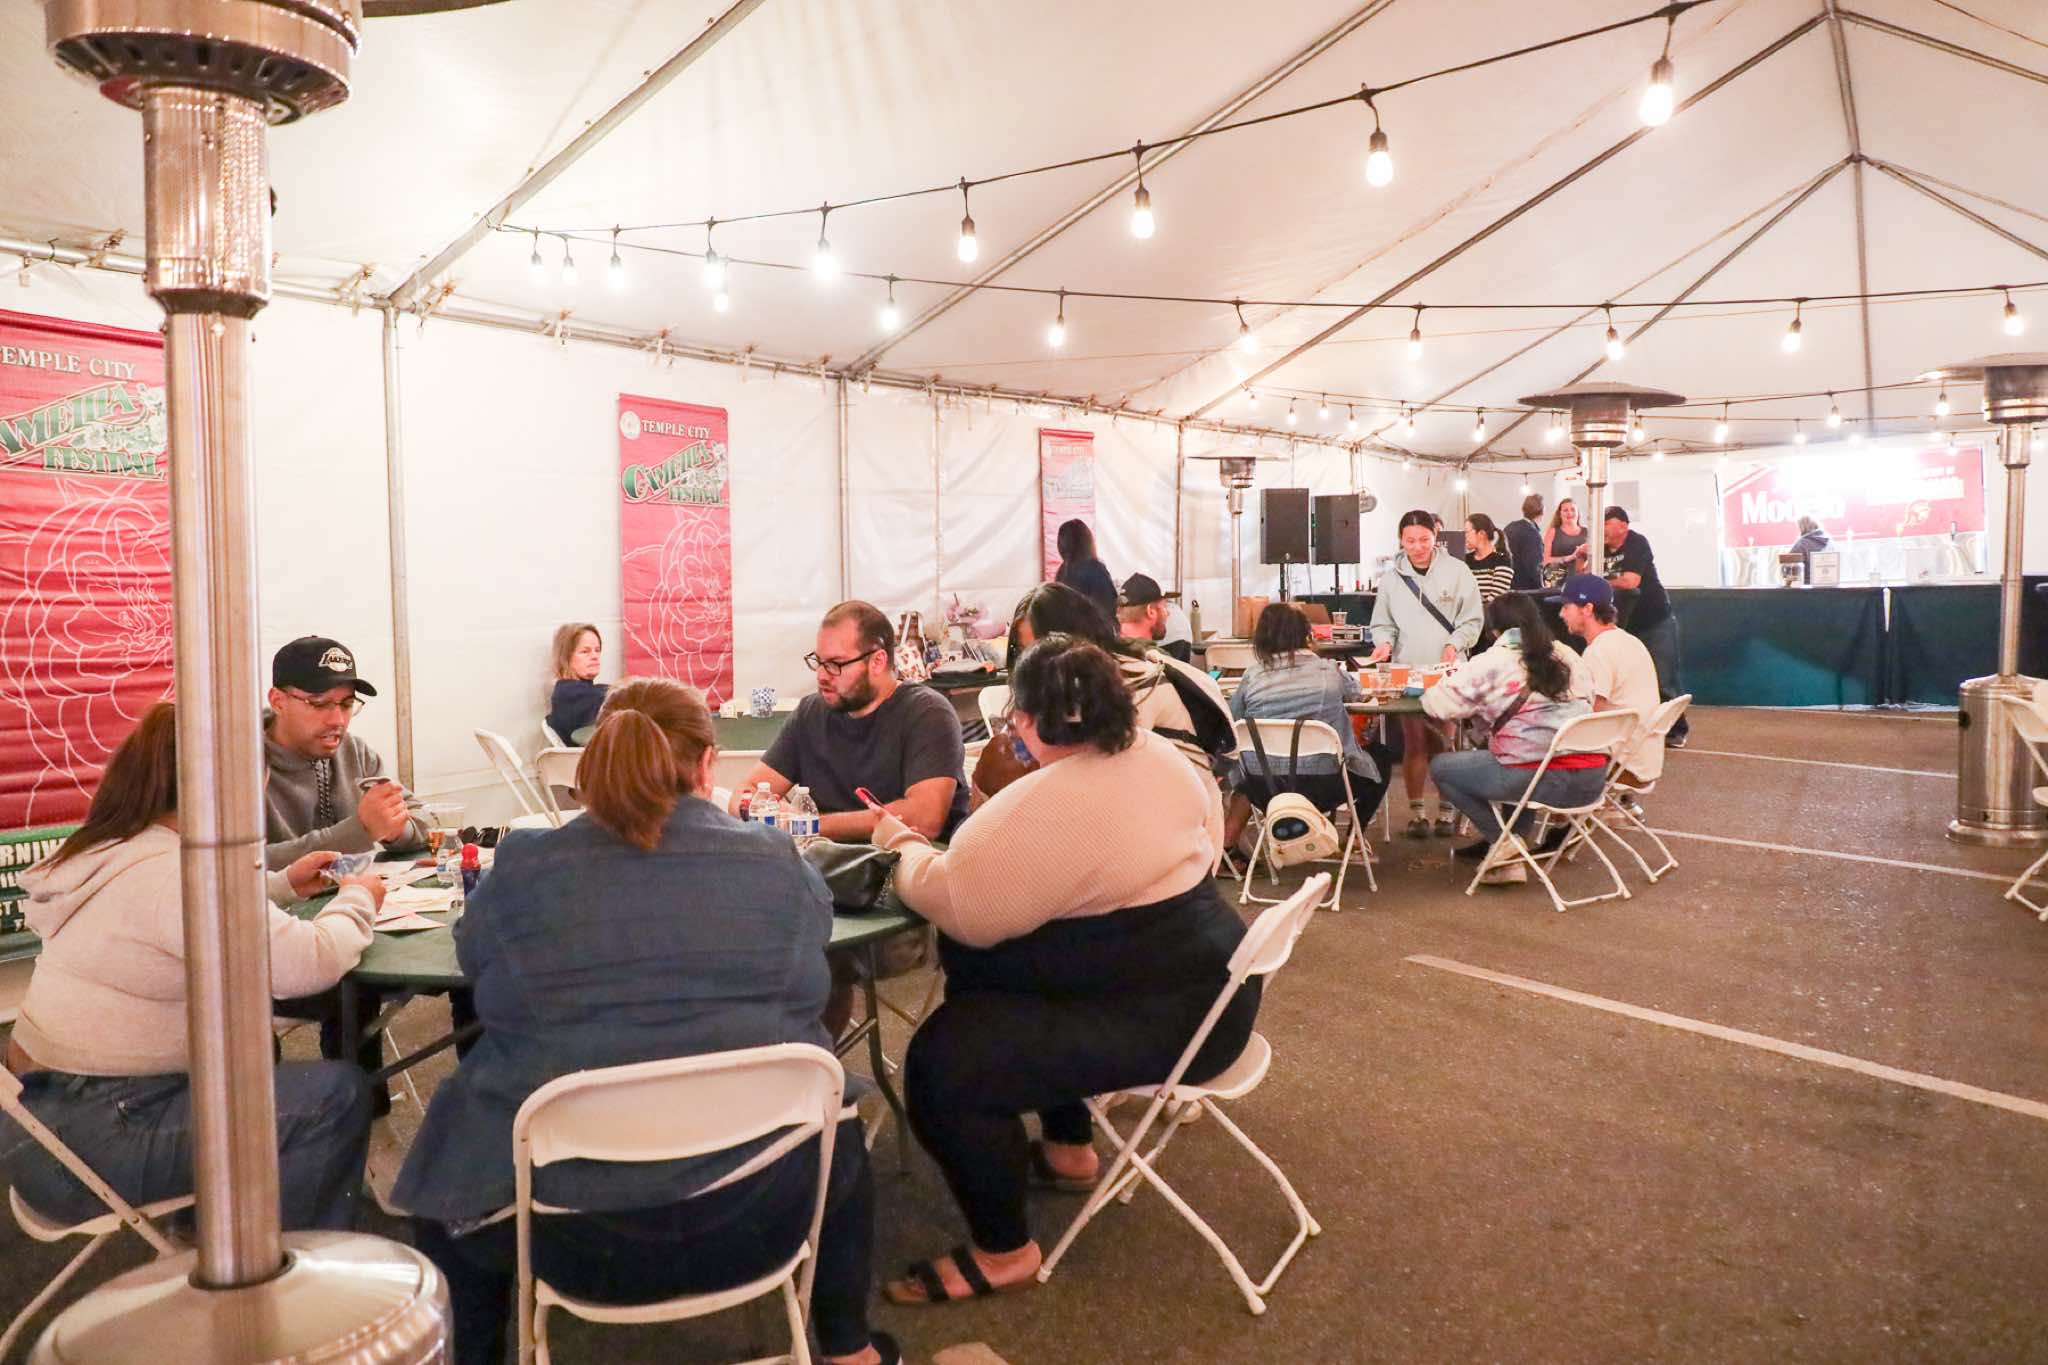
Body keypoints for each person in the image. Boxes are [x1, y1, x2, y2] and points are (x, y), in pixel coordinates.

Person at [396, 680, 894, 1365]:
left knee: (452, 1167)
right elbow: (813, 967)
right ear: (707, 764)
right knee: (838, 1110)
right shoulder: (778, 863)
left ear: (596, 761)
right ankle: (848, 1347)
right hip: (764, 1211)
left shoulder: (526, 867)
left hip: (569, 1240)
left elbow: (476, 962)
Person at [872, 636, 1258, 1306]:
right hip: (1216, 985)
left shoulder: (1049, 800)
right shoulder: (1157, 754)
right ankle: (1069, 1147)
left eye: (1016, 719)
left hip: (1178, 1016)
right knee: (986, 967)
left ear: (1029, 719)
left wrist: (900, 844)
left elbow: (961, 904)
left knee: (942, 1065)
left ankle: (1004, 1251)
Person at [0, 703, 380, 1232]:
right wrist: (358, 898)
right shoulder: (182, 874)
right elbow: (309, 962)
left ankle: (223, 1233)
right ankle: (290, 1268)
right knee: (335, 1097)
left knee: (256, 1056)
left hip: (39, 1123)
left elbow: (176, 916)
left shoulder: (113, 848)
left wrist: (280, 885)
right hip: (97, 1141)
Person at [731, 601, 967, 840]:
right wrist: (756, 807)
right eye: (819, 662)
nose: (822, 675)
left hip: (906, 860)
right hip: (823, 859)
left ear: (877, 662)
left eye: (835, 664)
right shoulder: (810, 714)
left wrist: (808, 824)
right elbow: (745, 793)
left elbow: (924, 820)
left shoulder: (928, 714)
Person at [1424, 594, 1604, 884]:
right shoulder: (1569, 655)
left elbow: (1439, 705)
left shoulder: (1494, 661)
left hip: (1542, 780)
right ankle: (1510, 845)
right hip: (1592, 779)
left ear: (1494, 631)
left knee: (1443, 767)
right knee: (1511, 754)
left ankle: (1505, 844)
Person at [1008, 582, 1232, 782]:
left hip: (1181, 803)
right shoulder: (1073, 686)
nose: (1032, 663)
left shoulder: (1129, 681)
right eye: (1023, 651)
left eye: (1042, 649)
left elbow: (1103, 769)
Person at [1224, 603, 1388, 848]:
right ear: (1306, 635)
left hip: (1265, 786)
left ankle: (1226, 847)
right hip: (1325, 784)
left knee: (1250, 772)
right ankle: (1355, 837)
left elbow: (1233, 720)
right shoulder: (1328, 671)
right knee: (1382, 757)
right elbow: (1356, 691)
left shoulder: (1252, 676)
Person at [263, 635, 427, 871]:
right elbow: (240, 863)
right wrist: (360, 830)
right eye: (319, 704)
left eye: (347, 704)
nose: (338, 720)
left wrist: (395, 829)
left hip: (357, 892)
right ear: (278, 702)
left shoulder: (355, 752)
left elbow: (425, 818)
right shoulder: (237, 765)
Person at [1367, 510, 1483, 838]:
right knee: (1414, 741)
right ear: (1400, 540)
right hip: (1408, 671)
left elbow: (1472, 620)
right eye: (1410, 541)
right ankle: (1416, 812)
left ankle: (1447, 811)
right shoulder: (1392, 579)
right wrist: (1384, 643)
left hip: (1447, 672)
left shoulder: (1458, 572)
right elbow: (1382, 623)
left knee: (1445, 740)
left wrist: (1455, 643)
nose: (1417, 547)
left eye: (1424, 539)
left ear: (1436, 537)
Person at [1582, 506, 1689, 748]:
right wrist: (1582, 557)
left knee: (1664, 677)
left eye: (1607, 524)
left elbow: (1631, 581)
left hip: (1654, 620)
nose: (1602, 530)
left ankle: (1676, 729)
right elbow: (1584, 578)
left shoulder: (1637, 543)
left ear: (1623, 526)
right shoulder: (1600, 549)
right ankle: (1638, 728)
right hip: (1624, 626)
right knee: (1630, 680)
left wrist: (1600, 582)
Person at [1554, 574, 1663, 798]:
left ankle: (1565, 814)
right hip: (1645, 759)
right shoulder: (1629, 641)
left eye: (1566, 607)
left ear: (1587, 609)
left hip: (1623, 765)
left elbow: (1589, 716)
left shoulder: (1598, 652)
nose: (1561, 614)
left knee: (1538, 754)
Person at [545, 622, 607, 743]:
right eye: (585, 651)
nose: (595, 656)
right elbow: (612, 698)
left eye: (597, 650)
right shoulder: (569, 693)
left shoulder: (583, 690)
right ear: (566, 657)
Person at [1052, 518, 1117, 629]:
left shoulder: (1062, 571)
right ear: (1087, 541)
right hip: (1094, 632)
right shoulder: (1095, 569)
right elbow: (1110, 606)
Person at [1116, 573, 1192, 664]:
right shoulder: (1161, 660)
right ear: (1150, 611)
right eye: (1164, 607)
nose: (1168, 613)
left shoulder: (1107, 651)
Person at [1463, 514, 1516, 605]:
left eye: (1466, 532)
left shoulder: (1502, 559)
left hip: (1491, 612)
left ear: (1481, 534)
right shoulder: (1465, 559)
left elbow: (1496, 598)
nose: (1464, 536)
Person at [1506, 493, 1547, 592]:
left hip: (1508, 585)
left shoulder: (1509, 527)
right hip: (1526, 589)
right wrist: (1542, 586)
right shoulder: (1532, 533)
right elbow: (1534, 566)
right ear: (1542, 512)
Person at [1544, 498, 1588, 588]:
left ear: (1578, 513)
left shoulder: (1587, 532)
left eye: (1573, 509)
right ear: (1560, 514)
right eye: (1565, 510)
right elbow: (1545, 560)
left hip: (1581, 580)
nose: (1569, 513)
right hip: (1557, 581)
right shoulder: (1552, 532)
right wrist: (1569, 557)